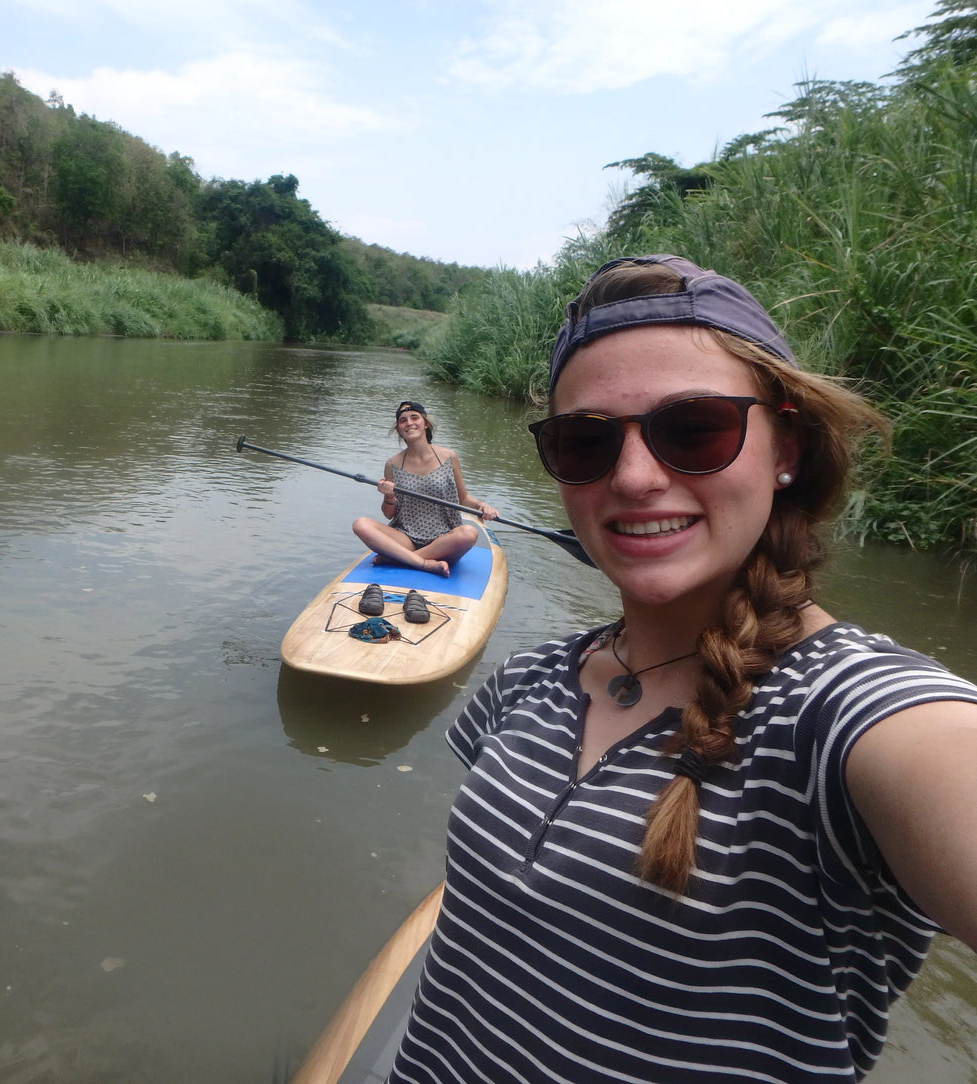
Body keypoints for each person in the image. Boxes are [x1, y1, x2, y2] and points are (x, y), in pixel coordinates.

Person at [387, 255, 977, 1083]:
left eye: (695, 428)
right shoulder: (525, 683)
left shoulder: (855, 718)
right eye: (583, 440)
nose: (632, 477)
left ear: (788, 449)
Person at [352, 400, 497, 578]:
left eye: (414, 417)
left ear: (425, 424)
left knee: (468, 533)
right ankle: (422, 563)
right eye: (403, 420)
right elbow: (389, 514)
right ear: (399, 429)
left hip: (444, 539)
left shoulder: (449, 457)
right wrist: (388, 496)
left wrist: (482, 506)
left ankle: (400, 560)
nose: (409, 423)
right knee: (361, 524)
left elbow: (464, 499)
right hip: (405, 538)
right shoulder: (392, 464)